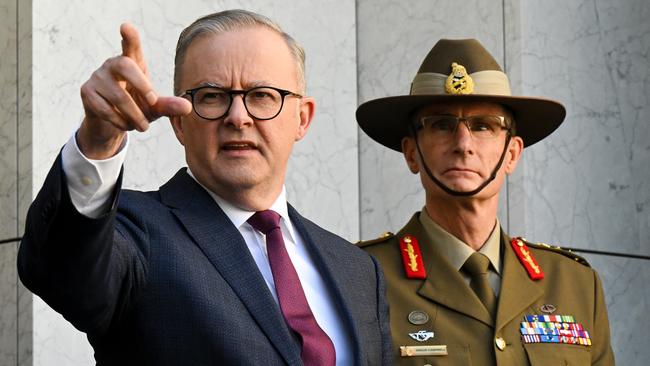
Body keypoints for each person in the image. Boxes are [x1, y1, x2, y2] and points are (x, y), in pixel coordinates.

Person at [18, 9, 391, 365]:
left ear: (302, 118)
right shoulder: (135, 233)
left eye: (262, 95)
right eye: (212, 96)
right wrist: (98, 142)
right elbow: (61, 272)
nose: (238, 117)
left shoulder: (359, 271)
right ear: (179, 122)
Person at [356, 39, 614, 365]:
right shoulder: (362, 279)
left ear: (511, 154)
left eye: (483, 126)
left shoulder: (575, 285)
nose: (463, 144)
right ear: (411, 153)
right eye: (441, 124)